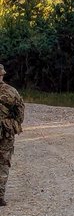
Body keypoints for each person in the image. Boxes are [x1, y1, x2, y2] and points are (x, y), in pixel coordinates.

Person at [0, 63, 25, 208]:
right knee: (3, 162)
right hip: (6, 131)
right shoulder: (11, 91)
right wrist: (12, 123)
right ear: (2, 74)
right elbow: (20, 112)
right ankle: (0, 196)